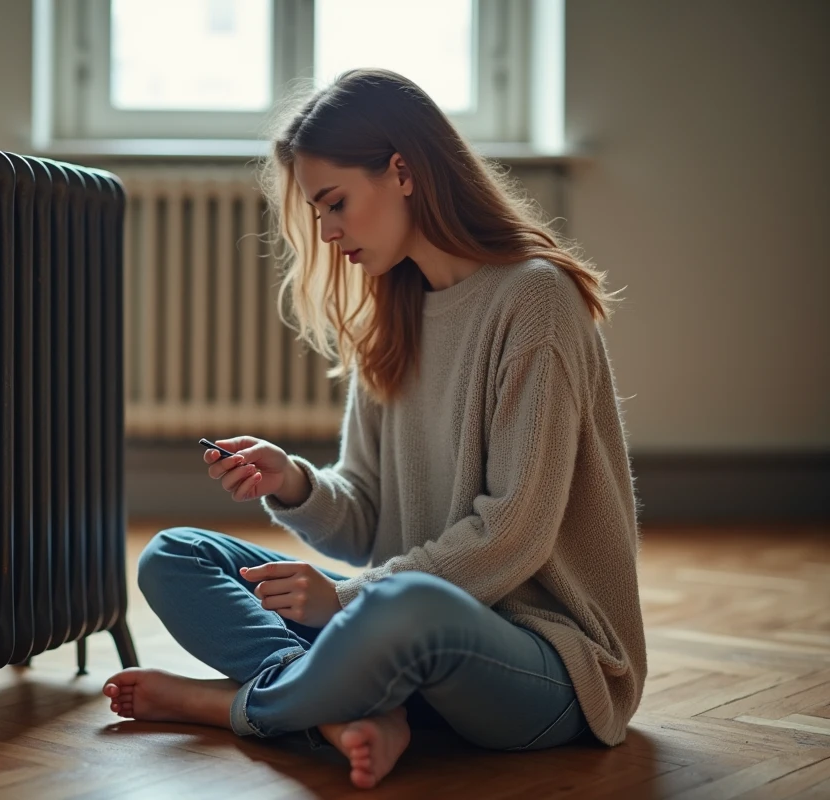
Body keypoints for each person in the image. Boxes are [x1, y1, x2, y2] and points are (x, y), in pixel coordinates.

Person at [102, 68, 647, 790]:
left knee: (402, 606)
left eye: (335, 204)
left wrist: (351, 602)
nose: (327, 234)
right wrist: (293, 481)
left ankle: (242, 705)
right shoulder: (393, 314)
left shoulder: (534, 300)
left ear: (402, 171)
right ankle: (342, 707)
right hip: (392, 626)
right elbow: (365, 523)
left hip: (546, 664)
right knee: (174, 555)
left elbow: (514, 532)